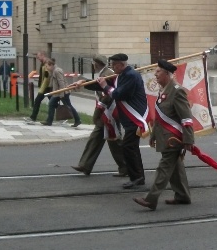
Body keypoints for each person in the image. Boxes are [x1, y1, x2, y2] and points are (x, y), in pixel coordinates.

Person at [134, 60, 194, 211]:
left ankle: (151, 199)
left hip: (173, 138)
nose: (155, 74)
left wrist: (188, 140)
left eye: (158, 71)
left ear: (167, 74)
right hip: (164, 136)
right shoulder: (164, 90)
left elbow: (186, 118)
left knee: (164, 168)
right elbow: (160, 118)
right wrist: (154, 135)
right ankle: (183, 196)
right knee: (175, 168)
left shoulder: (177, 91)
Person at [70, 55, 128, 177]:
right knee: (98, 138)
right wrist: (83, 83)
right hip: (107, 113)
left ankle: (126, 167)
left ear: (95, 64)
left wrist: (99, 110)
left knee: (114, 141)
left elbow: (109, 93)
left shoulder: (108, 73)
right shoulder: (105, 72)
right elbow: (96, 85)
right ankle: (86, 165)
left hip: (109, 113)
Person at [102, 53, 148, 188]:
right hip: (129, 119)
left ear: (121, 65)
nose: (112, 68)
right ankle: (138, 176)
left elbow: (117, 94)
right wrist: (82, 84)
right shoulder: (122, 75)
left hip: (135, 118)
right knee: (131, 148)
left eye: (113, 65)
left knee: (128, 147)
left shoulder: (131, 76)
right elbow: (104, 85)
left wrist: (105, 85)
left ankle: (137, 177)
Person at [42, 59, 81, 127]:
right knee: (52, 104)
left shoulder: (57, 71)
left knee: (68, 106)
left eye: (47, 66)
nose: (46, 68)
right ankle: (49, 121)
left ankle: (77, 120)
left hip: (62, 92)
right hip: (58, 92)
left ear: (51, 65)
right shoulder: (54, 71)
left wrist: (62, 94)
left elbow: (61, 83)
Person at [25, 51, 51, 124]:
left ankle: (33, 117)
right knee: (52, 102)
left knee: (38, 101)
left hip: (47, 87)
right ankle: (33, 117)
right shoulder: (43, 63)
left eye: (38, 57)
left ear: (43, 55)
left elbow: (46, 77)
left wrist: (42, 88)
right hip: (45, 86)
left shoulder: (47, 64)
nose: (38, 59)